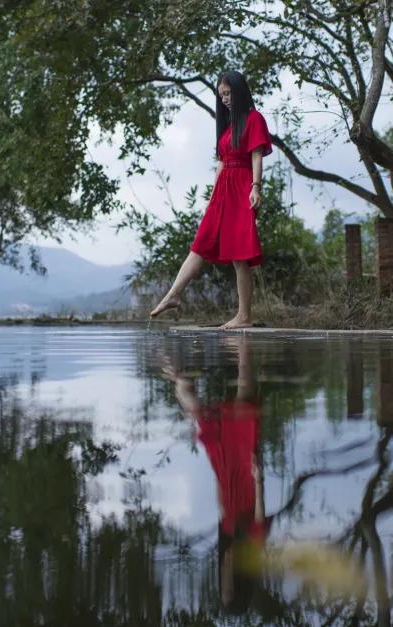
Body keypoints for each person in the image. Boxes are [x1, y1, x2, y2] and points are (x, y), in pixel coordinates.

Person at [149, 71, 273, 330]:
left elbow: (256, 155)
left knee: (240, 255)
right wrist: (212, 196)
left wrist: (256, 187)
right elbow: (221, 163)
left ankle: (244, 316)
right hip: (223, 191)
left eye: (228, 93)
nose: (224, 99)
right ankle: (173, 295)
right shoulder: (227, 127)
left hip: (241, 188)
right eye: (221, 95)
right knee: (200, 243)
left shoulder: (254, 119)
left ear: (239, 91)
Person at [160, 335, 270, 612]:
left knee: (195, 410)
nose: (224, 581)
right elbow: (259, 512)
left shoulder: (227, 539)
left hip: (224, 468)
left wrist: (216, 470)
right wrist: (258, 476)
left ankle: (171, 365)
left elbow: (222, 505)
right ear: (240, 584)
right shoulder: (252, 546)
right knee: (244, 401)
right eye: (228, 587)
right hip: (244, 473)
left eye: (223, 587)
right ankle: (243, 345)